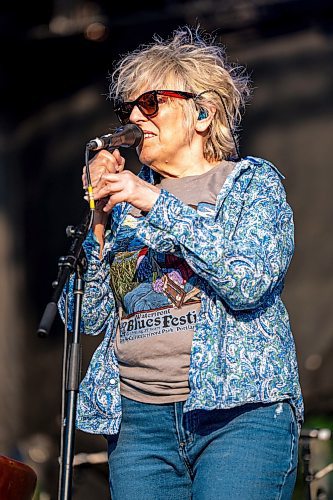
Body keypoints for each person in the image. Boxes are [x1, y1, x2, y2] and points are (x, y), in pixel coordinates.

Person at [58, 25, 304, 500]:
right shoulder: (127, 204)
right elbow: (85, 318)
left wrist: (154, 201)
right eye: (128, 108)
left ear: (202, 114)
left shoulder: (251, 186)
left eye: (151, 103)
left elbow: (247, 281)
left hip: (238, 416)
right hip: (139, 426)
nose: (135, 116)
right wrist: (100, 222)